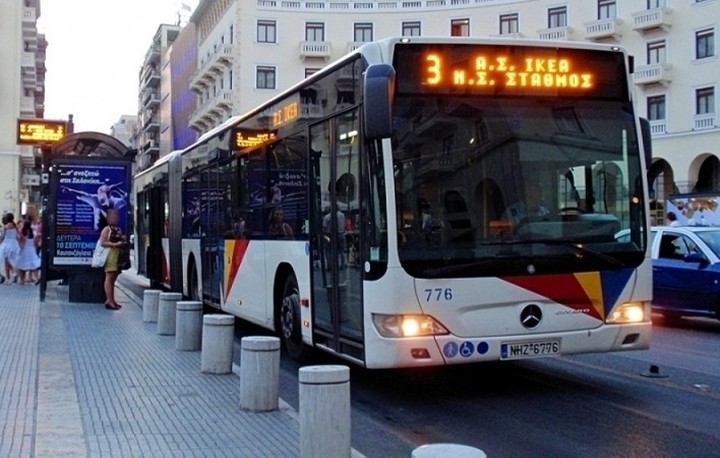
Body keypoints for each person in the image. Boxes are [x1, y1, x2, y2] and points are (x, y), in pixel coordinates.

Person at [99, 209, 126, 310]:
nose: (116, 218)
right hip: (110, 255)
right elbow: (102, 242)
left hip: (117, 255)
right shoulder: (107, 229)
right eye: (113, 216)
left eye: (116, 216)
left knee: (113, 278)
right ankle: (109, 301)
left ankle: (111, 300)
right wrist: (115, 244)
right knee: (109, 277)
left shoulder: (117, 228)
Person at [16, 219, 41, 284]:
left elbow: (21, 242)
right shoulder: (33, 232)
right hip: (31, 249)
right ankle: (37, 278)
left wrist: (19, 249)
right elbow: (35, 243)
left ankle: (22, 280)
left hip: (24, 250)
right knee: (33, 265)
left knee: (22, 266)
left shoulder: (22, 232)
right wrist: (35, 249)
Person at [0, 213, 21, 284]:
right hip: (14, 244)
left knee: (6, 262)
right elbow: (18, 236)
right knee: (10, 261)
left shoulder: (5, 226)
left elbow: (2, 236)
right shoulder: (15, 226)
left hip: (7, 244)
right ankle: (15, 274)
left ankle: (8, 278)